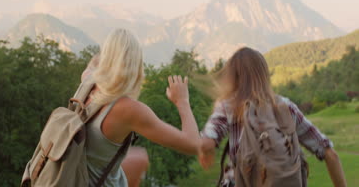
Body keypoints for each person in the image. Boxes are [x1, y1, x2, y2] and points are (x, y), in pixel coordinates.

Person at [198, 47, 347, 187]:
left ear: (232, 78)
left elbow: (205, 143)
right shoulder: (286, 107)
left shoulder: (228, 106)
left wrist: (204, 151)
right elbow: (330, 154)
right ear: (264, 75)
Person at [81, 28, 200, 187]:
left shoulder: (87, 82)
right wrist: (183, 102)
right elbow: (193, 145)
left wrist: (110, 54)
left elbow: (93, 64)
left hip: (74, 177)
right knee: (139, 159)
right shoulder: (128, 109)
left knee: (138, 159)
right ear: (136, 65)